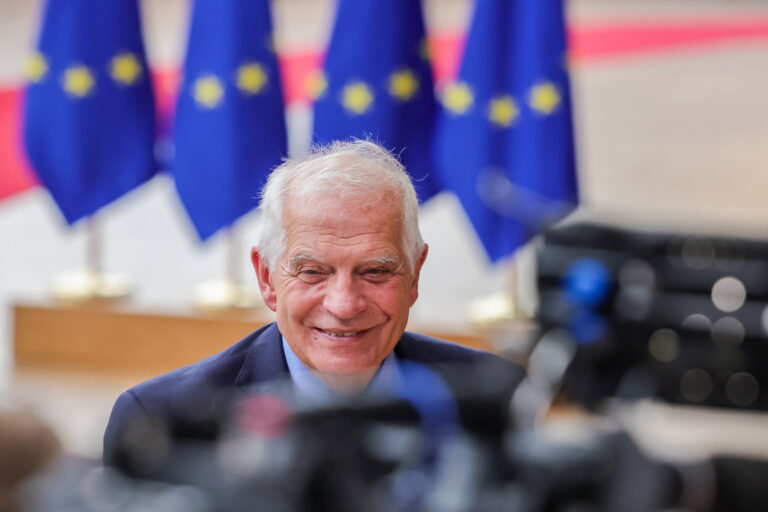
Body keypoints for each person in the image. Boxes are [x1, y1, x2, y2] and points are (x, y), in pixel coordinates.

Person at [103, 140, 523, 467]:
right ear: (267, 278)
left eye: (375, 271)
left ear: (415, 273)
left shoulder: (491, 393)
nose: (344, 304)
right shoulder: (161, 420)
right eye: (313, 272)